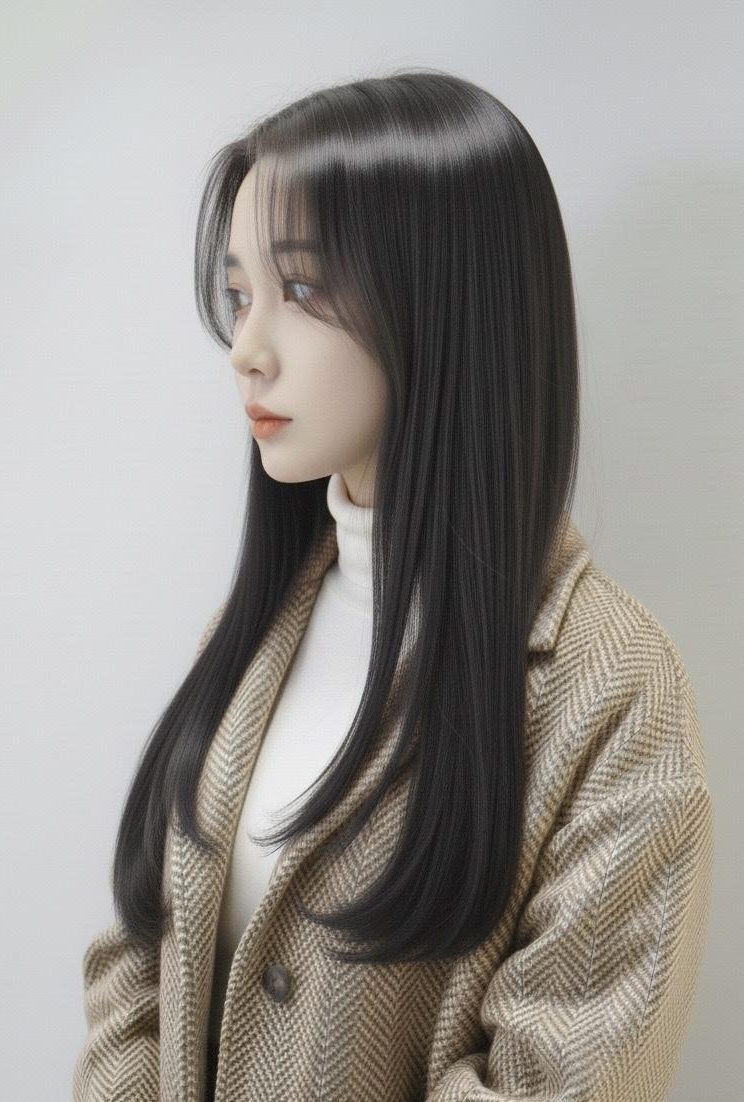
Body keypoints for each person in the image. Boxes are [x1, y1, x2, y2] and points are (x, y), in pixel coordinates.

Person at [73, 69, 714, 1102]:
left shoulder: (611, 689)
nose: (247, 350)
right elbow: (143, 950)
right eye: (239, 296)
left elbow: (563, 1078)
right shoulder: (256, 630)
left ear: (443, 300)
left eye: (300, 288)